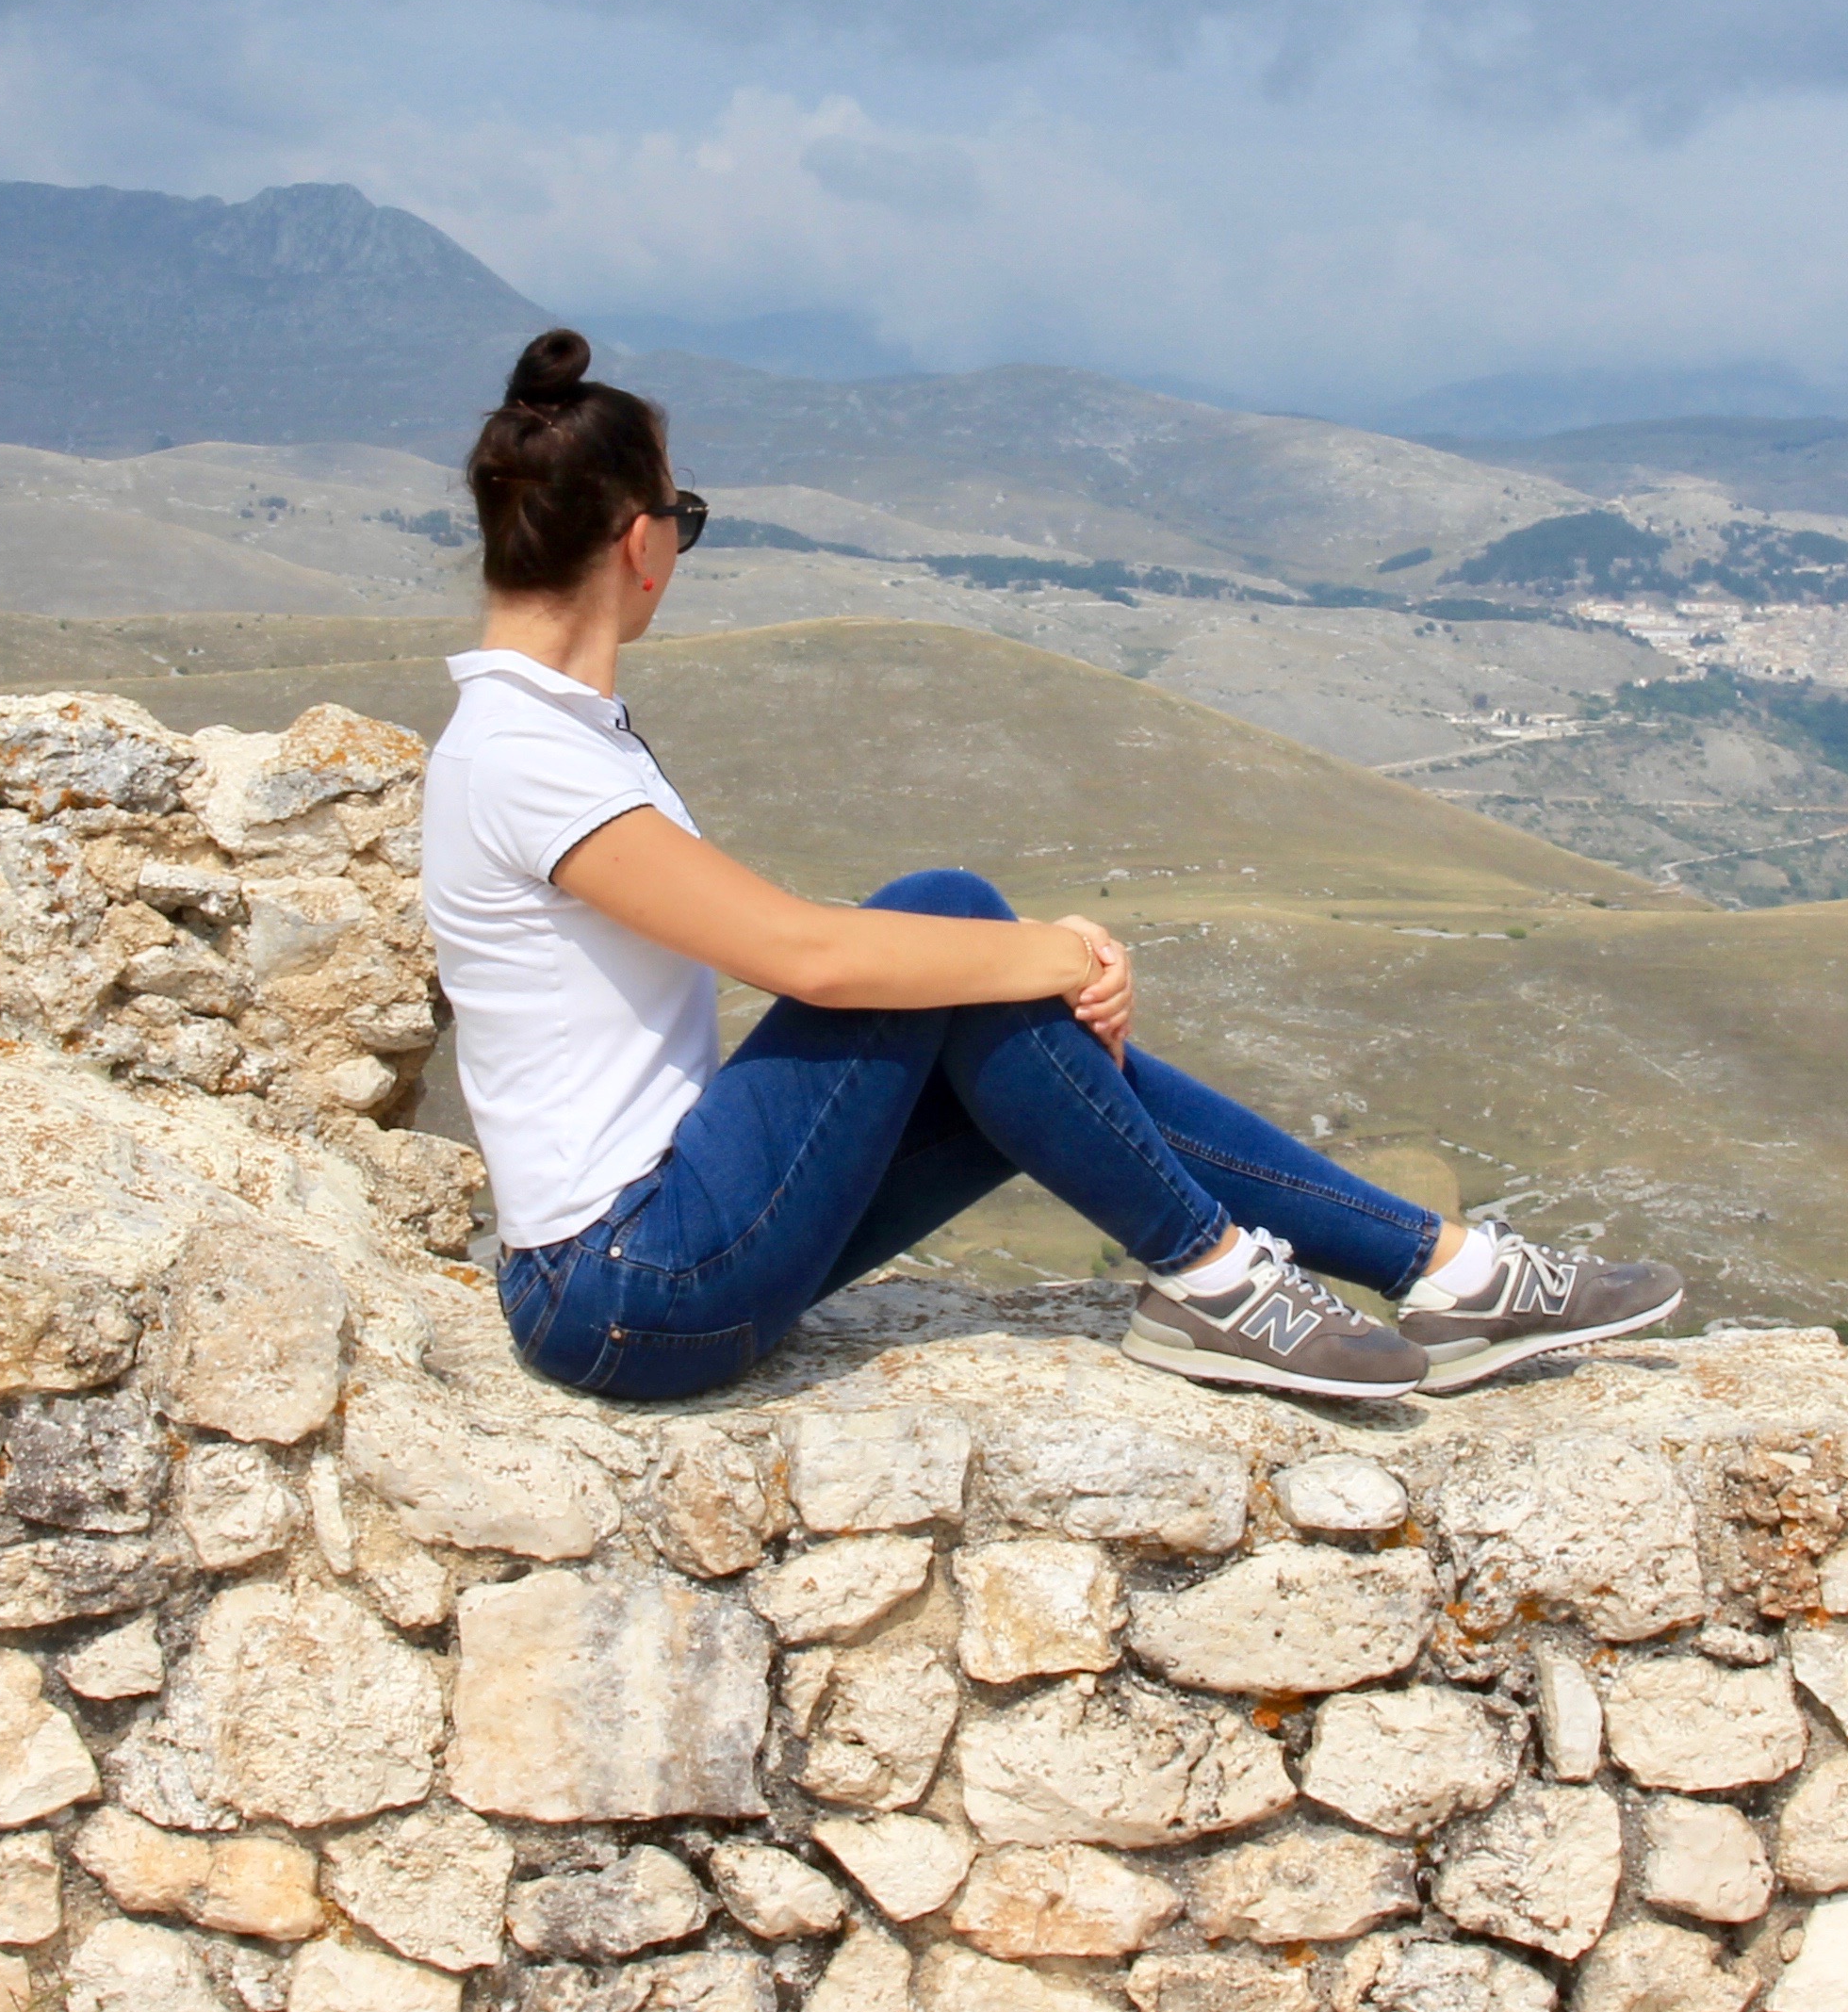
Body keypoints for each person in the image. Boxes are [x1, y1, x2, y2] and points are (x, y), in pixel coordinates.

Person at [423, 327, 1687, 1405]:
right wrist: (1057, 951)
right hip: (625, 1283)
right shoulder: (528, 754)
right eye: (686, 523)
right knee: (953, 918)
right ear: (643, 542)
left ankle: (1433, 1274)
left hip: (659, 1257)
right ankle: (1225, 1277)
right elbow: (799, 954)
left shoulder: (545, 737)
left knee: (1002, 1021)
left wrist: (1024, 968)